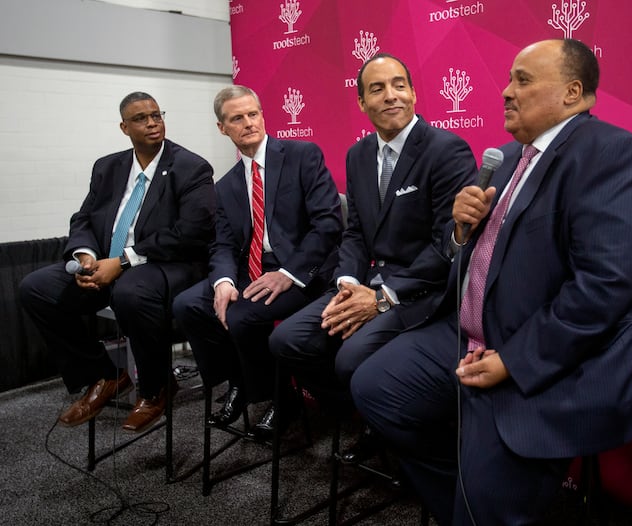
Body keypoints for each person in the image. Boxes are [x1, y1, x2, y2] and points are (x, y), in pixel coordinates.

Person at [350, 39, 632, 525]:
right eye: (508, 79)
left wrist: (513, 360)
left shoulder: (611, 153)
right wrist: (460, 230)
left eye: (522, 80)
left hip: (546, 346)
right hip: (471, 331)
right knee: (375, 387)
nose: (506, 91)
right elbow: (470, 254)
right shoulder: (506, 159)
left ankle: (481, 498)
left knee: (488, 485)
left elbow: (606, 285)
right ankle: (466, 494)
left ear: (572, 92)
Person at [269, 54, 477, 455]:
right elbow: (356, 233)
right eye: (377, 89)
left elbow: (448, 246)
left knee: (350, 358)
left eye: (399, 85)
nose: (391, 96)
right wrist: (347, 282)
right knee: (287, 340)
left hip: (422, 291)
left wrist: (384, 296)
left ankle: (385, 422)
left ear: (414, 93)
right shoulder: (358, 154)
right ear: (362, 102)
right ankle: (367, 414)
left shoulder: (446, 150)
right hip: (365, 283)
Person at [19, 92, 215, 433]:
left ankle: (156, 388)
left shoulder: (191, 167)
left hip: (166, 263)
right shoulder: (107, 167)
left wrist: (123, 261)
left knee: (130, 292)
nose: (152, 123)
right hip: (107, 262)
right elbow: (83, 218)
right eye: (141, 118)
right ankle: (103, 375)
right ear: (124, 127)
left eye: (156, 115)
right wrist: (85, 256)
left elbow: (191, 232)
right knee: (35, 288)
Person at [172, 86, 342, 441]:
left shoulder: (302, 155)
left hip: (302, 271)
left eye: (253, 114)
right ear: (222, 128)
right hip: (250, 269)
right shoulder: (226, 185)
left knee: (242, 316)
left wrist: (288, 274)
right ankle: (239, 381)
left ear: (263, 116)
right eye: (237, 118)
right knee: (188, 305)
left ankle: (281, 398)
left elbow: (328, 224)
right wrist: (223, 282)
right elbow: (222, 243)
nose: (248, 123)